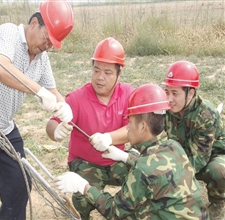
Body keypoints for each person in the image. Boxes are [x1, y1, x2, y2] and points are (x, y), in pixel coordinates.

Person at [0, 0, 74, 219]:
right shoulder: (8, 33)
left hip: (4, 129)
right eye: (47, 38)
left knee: (19, 188)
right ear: (34, 23)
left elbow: (53, 92)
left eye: (53, 44)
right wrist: (38, 91)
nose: (48, 46)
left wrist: (64, 108)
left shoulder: (41, 59)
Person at [54, 84, 209, 219]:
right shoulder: (173, 146)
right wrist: (124, 157)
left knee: (130, 213)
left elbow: (114, 211)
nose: (127, 127)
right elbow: (155, 169)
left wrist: (83, 186)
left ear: (142, 126)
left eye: (130, 121)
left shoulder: (142, 170)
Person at [46, 37, 135, 219]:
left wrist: (109, 138)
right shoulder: (77, 98)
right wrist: (56, 132)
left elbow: (135, 129)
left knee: (143, 179)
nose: (100, 77)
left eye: (108, 72)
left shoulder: (128, 93)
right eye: (96, 70)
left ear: (119, 74)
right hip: (86, 163)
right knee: (82, 202)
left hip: (116, 159)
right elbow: (52, 123)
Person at [162, 60, 225, 220]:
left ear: (190, 93)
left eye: (175, 93)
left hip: (211, 156)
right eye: (166, 91)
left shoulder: (206, 115)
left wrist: (171, 178)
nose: (169, 98)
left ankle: (218, 204)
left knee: (218, 170)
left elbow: (198, 159)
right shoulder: (168, 107)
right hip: (184, 151)